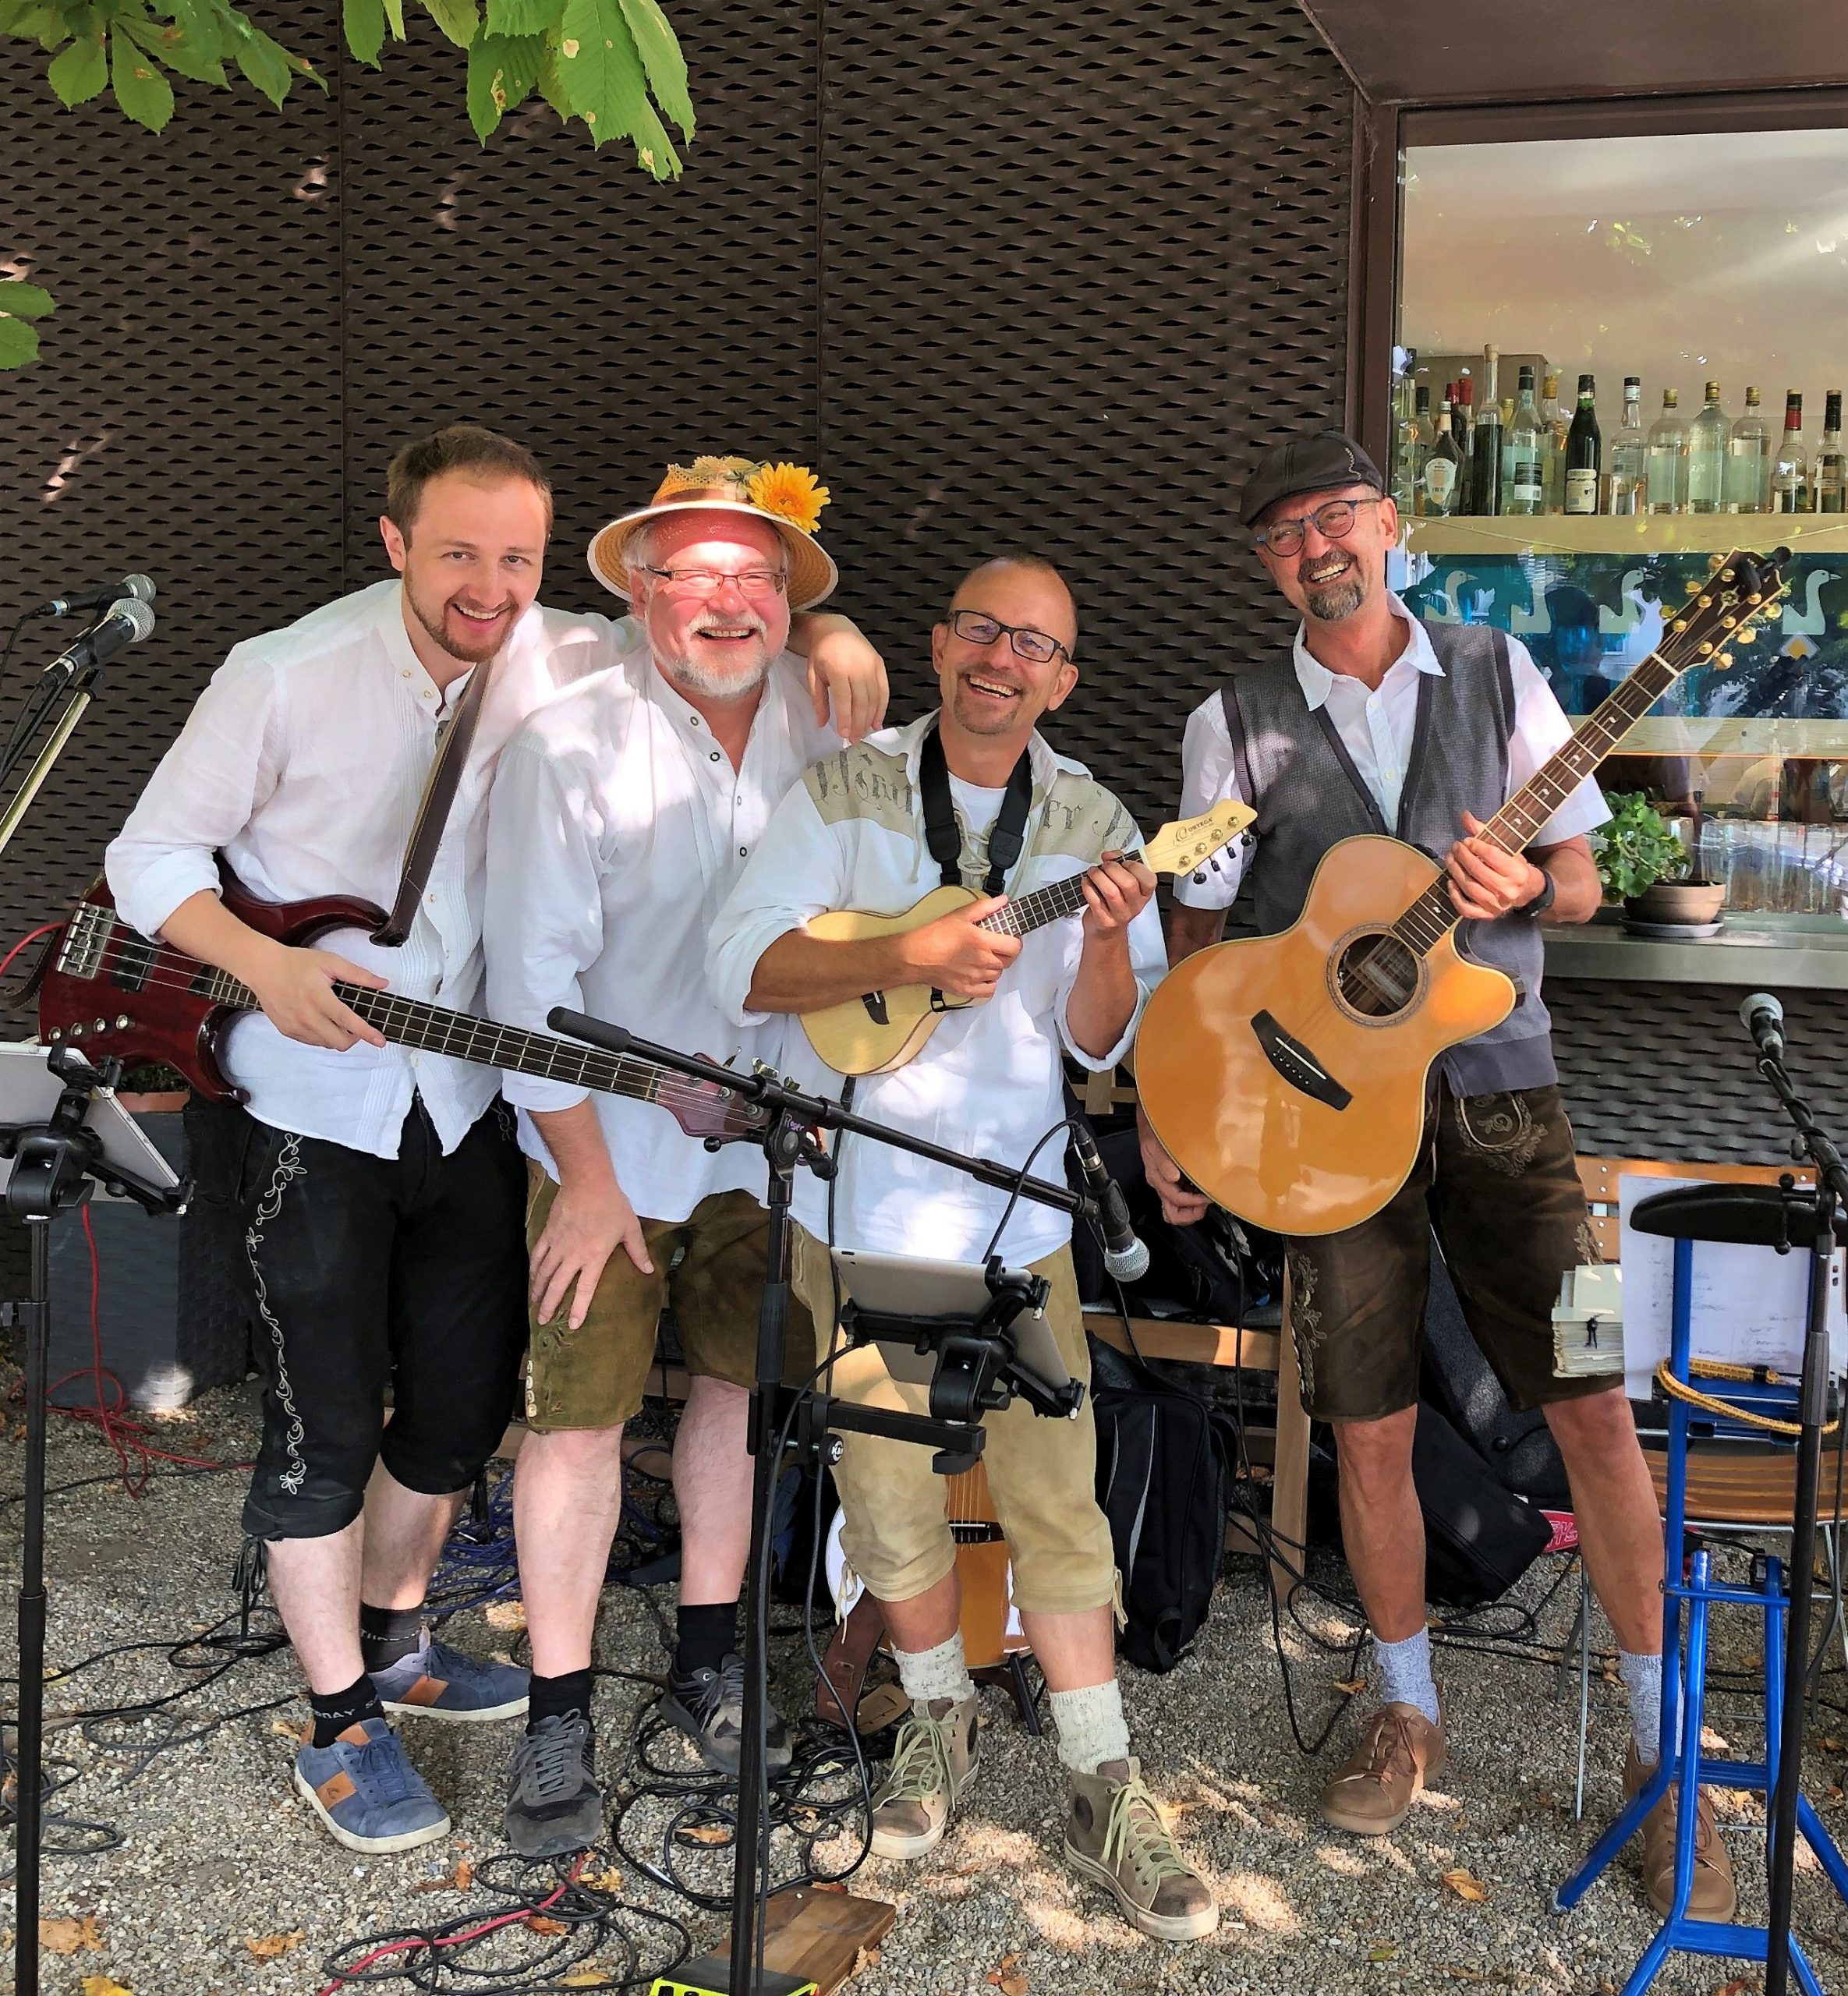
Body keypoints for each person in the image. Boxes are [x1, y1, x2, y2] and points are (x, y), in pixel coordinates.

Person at [105, 427, 884, 1856]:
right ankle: (339, 1723)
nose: (489, 584)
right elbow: (145, 857)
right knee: (323, 1424)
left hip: (469, 1093)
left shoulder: (556, 646)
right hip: (317, 1093)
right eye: (459, 552)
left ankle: (396, 1640)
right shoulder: (283, 672)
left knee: (459, 1412)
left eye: (516, 557)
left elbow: (704, 622)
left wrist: (828, 627)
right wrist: (267, 966)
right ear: (395, 541)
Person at [1139, 430, 1733, 1922]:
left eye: (1335, 516)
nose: (1315, 546)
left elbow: (1581, 878)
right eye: (1283, 533)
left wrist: (1527, 880)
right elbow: (1199, 942)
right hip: (1318, 1125)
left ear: (1388, 523)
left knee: (1593, 1407)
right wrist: (1174, 1114)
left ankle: (1662, 1748)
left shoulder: (1496, 669)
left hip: (1509, 1106)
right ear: (1265, 563)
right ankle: (1406, 1707)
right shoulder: (1231, 720)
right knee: (1369, 1426)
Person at [707, 555, 1220, 1943]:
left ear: (1064, 679)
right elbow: (742, 968)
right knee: (886, 1496)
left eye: (1033, 645)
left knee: (1055, 1498)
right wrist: (908, 958)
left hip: (1017, 1223)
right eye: (983, 631)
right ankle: (936, 1720)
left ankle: (1101, 1775)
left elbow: (1099, 1043)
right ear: (939, 646)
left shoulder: (1095, 821)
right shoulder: (845, 790)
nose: (1003, 659)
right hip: (859, 1217)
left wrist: (1110, 942)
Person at [482, 453, 888, 1858]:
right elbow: (525, 989)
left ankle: (708, 1666)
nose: (726, 602)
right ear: (640, 594)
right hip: (604, 1147)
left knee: (738, 1393)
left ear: (790, 600)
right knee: (577, 1419)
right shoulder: (568, 747)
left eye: (756, 578)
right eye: (694, 575)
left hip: (774, 1141)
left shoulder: (835, 729)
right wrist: (586, 1179)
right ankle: (555, 1713)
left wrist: (842, 636)